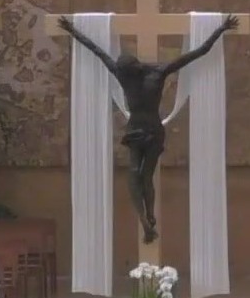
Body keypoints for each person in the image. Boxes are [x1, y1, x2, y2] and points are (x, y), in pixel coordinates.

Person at [56, 15, 239, 243]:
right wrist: (72, 30)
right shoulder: (123, 73)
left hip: (152, 130)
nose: (123, 77)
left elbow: (197, 53)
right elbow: (96, 50)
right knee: (135, 174)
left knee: (144, 176)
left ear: (134, 68)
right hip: (136, 129)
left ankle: (149, 213)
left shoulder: (158, 72)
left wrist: (220, 30)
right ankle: (144, 218)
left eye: (126, 73)